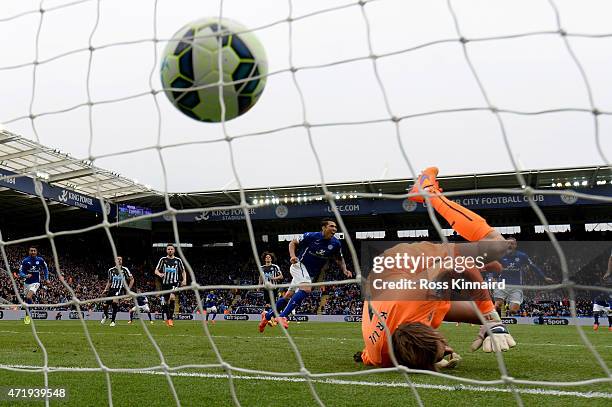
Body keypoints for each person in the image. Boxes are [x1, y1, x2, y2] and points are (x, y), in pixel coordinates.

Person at [355, 167, 517, 371]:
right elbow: (364, 354)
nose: (448, 348)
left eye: (442, 346)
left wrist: (491, 318)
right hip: (389, 295)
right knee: (478, 314)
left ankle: (428, 192)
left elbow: (459, 266)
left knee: (499, 247)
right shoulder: (379, 357)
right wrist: (491, 325)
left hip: (402, 263)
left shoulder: (415, 297)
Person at [259, 219, 352, 332]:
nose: (334, 229)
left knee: (288, 295)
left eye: (335, 227)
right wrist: (292, 256)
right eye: (331, 226)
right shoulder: (311, 236)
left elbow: (339, 258)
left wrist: (345, 269)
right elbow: (292, 242)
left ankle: (267, 316)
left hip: (309, 273)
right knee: (306, 289)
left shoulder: (335, 243)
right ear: (323, 227)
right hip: (299, 265)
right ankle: (283, 316)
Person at [493, 238, 553, 316]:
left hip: (516, 286)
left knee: (514, 310)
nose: (510, 245)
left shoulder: (522, 256)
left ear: (515, 245)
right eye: (508, 243)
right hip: (502, 284)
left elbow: (533, 267)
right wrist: (494, 278)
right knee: (498, 305)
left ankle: (508, 311)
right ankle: (497, 323)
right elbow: (496, 268)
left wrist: (544, 277)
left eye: (512, 244)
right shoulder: (500, 256)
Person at [154, 244, 186, 327]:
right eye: (168, 249)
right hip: (165, 284)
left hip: (174, 283)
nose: (170, 250)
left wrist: (184, 280)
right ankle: (168, 318)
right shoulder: (163, 259)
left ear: (174, 250)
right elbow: (156, 270)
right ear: (166, 250)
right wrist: (160, 274)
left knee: (172, 298)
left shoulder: (178, 260)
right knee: (165, 302)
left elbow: (183, 271)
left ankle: (170, 319)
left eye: (171, 249)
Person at [18, 246, 49, 325]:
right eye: (31, 250)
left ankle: (28, 316)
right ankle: (28, 311)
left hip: (36, 282)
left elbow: (45, 268)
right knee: (27, 300)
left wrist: (46, 278)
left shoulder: (40, 260)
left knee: (28, 297)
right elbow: (20, 272)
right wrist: (25, 276)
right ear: (29, 252)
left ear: (36, 252)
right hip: (27, 283)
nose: (33, 252)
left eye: (34, 251)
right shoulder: (25, 261)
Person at [100, 256, 134, 327]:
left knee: (114, 302)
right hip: (111, 289)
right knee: (105, 305)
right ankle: (106, 316)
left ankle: (113, 321)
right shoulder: (111, 270)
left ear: (122, 261)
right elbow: (109, 281)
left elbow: (132, 279)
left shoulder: (125, 270)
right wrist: (105, 289)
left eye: (120, 259)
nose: (119, 260)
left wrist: (128, 289)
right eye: (117, 259)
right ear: (115, 261)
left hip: (119, 289)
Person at [258, 251, 283, 322]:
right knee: (267, 304)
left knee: (274, 304)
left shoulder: (275, 267)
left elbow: (281, 276)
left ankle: (275, 318)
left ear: (271, 259)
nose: (268, 258)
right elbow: (260, 277)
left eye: (269, 257)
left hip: (274, 288)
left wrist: (274, 278)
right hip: (265, 288)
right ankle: (267, 319)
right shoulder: (261, 267)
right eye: (266, 257)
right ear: (264, 259)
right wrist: (259, 285)